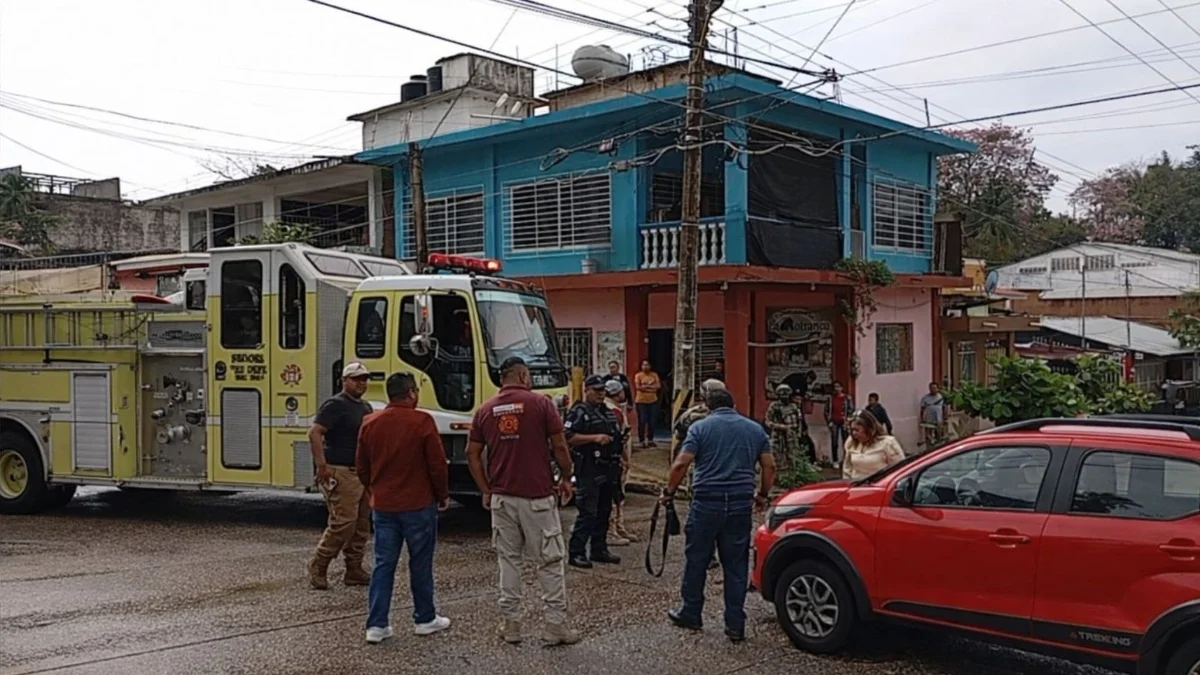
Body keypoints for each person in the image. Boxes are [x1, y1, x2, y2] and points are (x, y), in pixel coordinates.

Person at [466, 356, 580, 647]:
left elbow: (472, 453)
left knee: (509, 561)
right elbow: (559, 446)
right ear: (523, 375)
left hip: (502, 498)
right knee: (550, 562)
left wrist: (486, 488)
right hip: (537, 498)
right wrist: (567, 477)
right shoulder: (541, 404)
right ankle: (554, 626)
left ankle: (511, 625)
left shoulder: (485, 410)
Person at [662, 389, 776, 643]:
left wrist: (669, 492)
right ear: (733, 404)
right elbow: (769, 465)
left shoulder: (700, 428)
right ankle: (735, 624)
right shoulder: (755, 430)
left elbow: (681, 463)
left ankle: (691, 612)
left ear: (708, 406)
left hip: (706, 502)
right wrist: (763, 495)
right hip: (739, 503)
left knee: (697, 560)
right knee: (736, 565)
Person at [356, 372, 451, 644]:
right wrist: (442, 495)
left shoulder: (370, 423)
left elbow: (361, 466)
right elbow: (436, 465)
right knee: (420, 562)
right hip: (418, 503)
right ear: (411, 393)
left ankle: (377, 624)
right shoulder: (422, 421)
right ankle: (425, 618)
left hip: (384, 505)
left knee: (383, 564)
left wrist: (373, 488)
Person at [307, 362, 374, 590]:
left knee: (362, 524)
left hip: (361, 473)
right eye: (356, 379)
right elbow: (315, 432)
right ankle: (320, 563)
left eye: (364, 379)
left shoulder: (365, 407)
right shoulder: (335, 405)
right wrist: (321, 465)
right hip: (340, 470)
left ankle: (354, 568)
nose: (361, 383)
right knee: (343, 522)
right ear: (344, 380)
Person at [565, 374, 624, 569]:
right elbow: (569, 437)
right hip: (588, 466)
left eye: (602, 391)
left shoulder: (607, 412)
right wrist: (594, 438)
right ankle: (577, 552)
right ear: (587, 390)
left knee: (604, 510)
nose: (600, 394)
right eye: (596, 390)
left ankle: (599, 549)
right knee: (588, 511)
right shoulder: (579, 412)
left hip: (608, 466)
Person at [603, 379, 638, 547]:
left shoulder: (609, 408)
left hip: (612, 459)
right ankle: (612, 530)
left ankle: (619, 526)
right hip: (616, 459)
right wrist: (625, 459)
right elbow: (620, 439)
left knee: (618, 496)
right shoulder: (613, 412)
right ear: (618, 394)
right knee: (615, 495)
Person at [842, 409, 906, 481]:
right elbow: (847, 469)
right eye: (852, 430)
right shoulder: (851, 442)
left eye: (857, 430)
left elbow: (900, 469)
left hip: (880, 486)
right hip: (857, 487)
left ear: (869, 429)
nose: (854, 433)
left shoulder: (887, 443)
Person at [764, 384, 805, 474]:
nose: (784, 396)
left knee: (793, 455)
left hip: (791, 435)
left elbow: (799, 421)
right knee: (777, 455)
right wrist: (779, 426)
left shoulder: (793, 407)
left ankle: (793, 475)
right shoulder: (774, 406)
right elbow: (767, 421)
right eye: (782, 394)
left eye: (786, 394)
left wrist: (798, 432)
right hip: (778, 435)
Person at [823, 381, 854, 466]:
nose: (837, 389)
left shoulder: (847, 398)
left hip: (844, 422)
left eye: (838, 387)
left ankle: (846, 460)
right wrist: (829, 421)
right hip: (834, 421)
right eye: (835, 387)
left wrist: (848, 420)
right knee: (834, 441)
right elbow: (826, 411)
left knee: (846, 442)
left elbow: (851, 410)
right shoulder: (831, 398)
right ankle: (835, 460)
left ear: (842, 388)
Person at [634, 360, 662, 448]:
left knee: (652, 421)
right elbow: (638, 387)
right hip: (641, 401)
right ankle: (641, 440)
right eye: (643, 365)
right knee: (642, 421)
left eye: (647, 365)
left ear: (650, 366)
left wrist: (645, 387)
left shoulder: (654, 375)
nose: (645, 367)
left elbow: (658, 387)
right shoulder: (638, 375)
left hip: (653, 401)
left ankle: (650, 440)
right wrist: (651, 388)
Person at [919, 382, 946, 449]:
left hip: (938, 420)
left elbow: (944, 408)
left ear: (937, 388)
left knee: (939, 435)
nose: (933, 389)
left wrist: (945, 417)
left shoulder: (941, 397)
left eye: (935, 388)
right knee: (929, 436)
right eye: (931, 388)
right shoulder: (925, 398)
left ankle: (939, 448)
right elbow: (922, 410)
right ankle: (929, 448)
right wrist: (922, 419)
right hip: (929, 420)